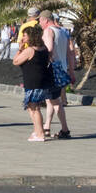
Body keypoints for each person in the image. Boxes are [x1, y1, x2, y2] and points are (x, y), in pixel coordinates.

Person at [13, 26, 52, 142]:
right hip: (42, 81)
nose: (22, 37)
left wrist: (20, 49)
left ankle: (40, 134)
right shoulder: (44, 48)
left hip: (33, 82)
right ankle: (37, 130)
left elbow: (15, 61)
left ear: (31, 36)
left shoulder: (30, 50)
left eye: (24, 35)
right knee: (32, 108)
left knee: (34, 108)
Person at [39, 10, 74, 139]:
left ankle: (65, 129)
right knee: (50, 100)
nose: (39, 23)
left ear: (46, 20)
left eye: (40, 21)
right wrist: (71, 71)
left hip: (52, 69)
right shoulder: (64, 32)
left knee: (55, 101)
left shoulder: (48, 31)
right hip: (62, 68)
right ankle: (47, 127)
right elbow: (70, 53)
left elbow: (49, 50)